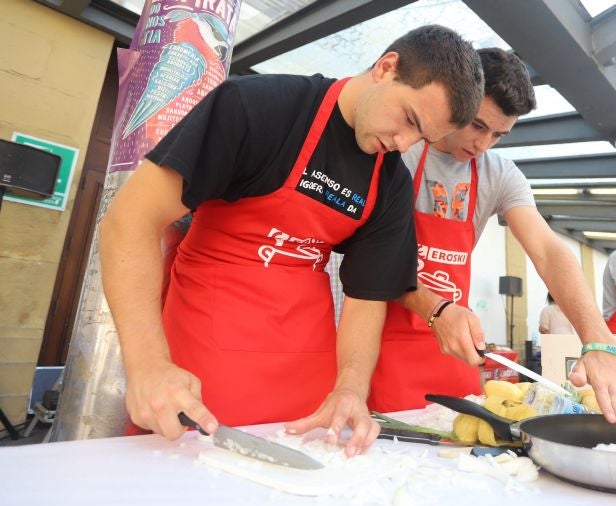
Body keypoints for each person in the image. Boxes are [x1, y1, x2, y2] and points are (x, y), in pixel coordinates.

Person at [98, 25, 484, 456]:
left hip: (307, 366)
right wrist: (149, 365)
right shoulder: (256, 107)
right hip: (208, 342)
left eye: (422, 138)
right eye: (409, 120)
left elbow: (367, 295)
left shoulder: (389, 180)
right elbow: (131, 221)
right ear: (386, 67)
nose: (403, 143)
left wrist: (350, 389)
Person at [368, 48, 616, 431]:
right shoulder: (401, 150)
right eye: (477, 125)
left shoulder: (499, 174)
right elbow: (377, 259)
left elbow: (548, 251)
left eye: (498, 135)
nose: (483, 144)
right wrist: (433, 308)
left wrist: (599, 341)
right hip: (380, 339)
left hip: (454, 349)